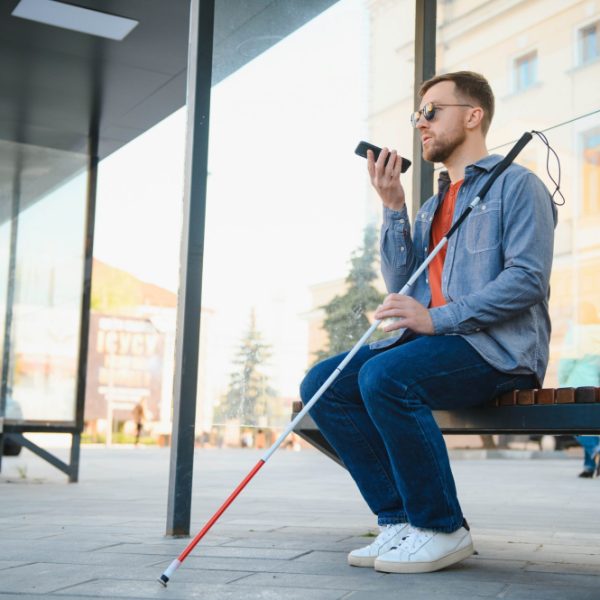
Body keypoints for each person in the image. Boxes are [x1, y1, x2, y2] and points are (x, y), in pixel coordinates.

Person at [300, 71, 557, 574]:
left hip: (497, 351)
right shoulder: (433, 204)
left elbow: (527, 280)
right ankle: (399, 520)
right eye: (417, 114)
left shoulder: (518, 185)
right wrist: (393, 207)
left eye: (432, 111)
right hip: (437, 346)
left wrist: (437, 319)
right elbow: (404, 282)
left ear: (473, 115)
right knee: (324, 384)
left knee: (385, 376)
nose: (421, 122)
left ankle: (441, 527)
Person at [557, 301, 600, 478]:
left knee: (574, 425)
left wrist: (561, 383)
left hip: (575, 385)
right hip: (594, 385)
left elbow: (567, 361)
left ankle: (596, 450)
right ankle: (589, 467)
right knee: (590, 426)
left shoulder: (576, 332)